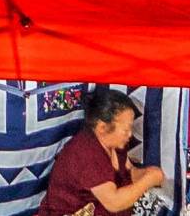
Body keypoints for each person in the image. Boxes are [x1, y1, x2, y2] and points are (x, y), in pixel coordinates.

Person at [39, 88, 168, 215]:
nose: (130, 134)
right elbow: (114, 202)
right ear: (102, 127)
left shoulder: (115, 146)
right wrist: (147, 181)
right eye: (126, 129)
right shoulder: (87, 153)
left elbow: (128, 172)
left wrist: (145, 174)